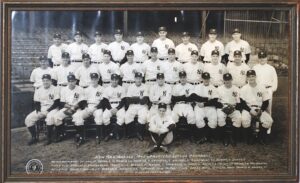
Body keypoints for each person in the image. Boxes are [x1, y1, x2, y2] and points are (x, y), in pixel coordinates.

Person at [25, 74, 60, 145]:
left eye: (47, 80)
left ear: (50, 81)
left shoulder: (55, 89)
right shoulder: (39, 90)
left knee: (50, 118)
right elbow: (37, 102)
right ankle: (34, 137)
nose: (45, 82)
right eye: (44, 81)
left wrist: (48, 111)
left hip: (53, 108)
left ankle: (49, 138)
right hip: (42, 108)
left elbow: (56, 103)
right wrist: (38, 111)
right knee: (28, 119)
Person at [240, 70, 273, 145]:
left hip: (259, 108)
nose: (251, 78)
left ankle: (260, 137)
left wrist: (261, 110)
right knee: (244, 120)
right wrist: (249, 110)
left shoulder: (261, 87)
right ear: (247, 78)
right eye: (249, 76)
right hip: (248, 108)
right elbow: (242, 103)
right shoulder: (244, 88)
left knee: (269, 121)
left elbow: (266, 101)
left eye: (253, 76)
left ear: (255, 77)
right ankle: (250, 137)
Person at [72, 73, 104, 144]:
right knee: (78, 116)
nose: (94, 80)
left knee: (99, 115)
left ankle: (98, 136)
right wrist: (86, 108)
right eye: (92, 79)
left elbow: (102, 101)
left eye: (95, 79)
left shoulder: (101, 88)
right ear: (90, 79)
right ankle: (82, 137)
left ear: (98, 79)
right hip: (88, 106)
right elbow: (83, 101)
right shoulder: (86, 89)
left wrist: (95, 108)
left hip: (97, 107)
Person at [54, 74, 86, 146]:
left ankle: (80, 136)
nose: (71, 83)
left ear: (75, 81)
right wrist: (69, 107)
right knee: (56, 117)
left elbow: (82, 102)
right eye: (69, 81)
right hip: (67, 107)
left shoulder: (80, 89)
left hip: (77, 107)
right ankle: (62, 134)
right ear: (67, 82)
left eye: (73, 81)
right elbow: (62, 102)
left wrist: (74, 107)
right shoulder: (64, 89)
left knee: (78, 118)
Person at [192, 72, 218, 144]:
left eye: (207, 79)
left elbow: (215, 100)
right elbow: (195, 97)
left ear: (209, 79)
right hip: (199, 106)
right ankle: (202, 136)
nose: (206, 80)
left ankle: (208, 136)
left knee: (213, 120)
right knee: (198, 119)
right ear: (202, 79)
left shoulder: (213, 88)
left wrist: (205, 103)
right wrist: (206, 100)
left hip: (210, 106)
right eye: (204, 79)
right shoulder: (197, 87)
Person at [216, 73, 242, 146]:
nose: (227, 82)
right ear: (223, 80)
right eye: (226, 80)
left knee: (238, 118)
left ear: (231, 80)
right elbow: (217, 102)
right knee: (220, 117)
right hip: (223, 107)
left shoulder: (236, 89)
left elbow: (239, 102)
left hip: (233, 107)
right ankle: (225, 137)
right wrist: (222, 107)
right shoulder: (219, 88)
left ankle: (232, 137)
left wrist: (234, 108)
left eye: (229, 80)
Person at [171, 71, 196, 142]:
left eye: (184, 77)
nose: (182, 79)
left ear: (186, 77)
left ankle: (191, 135)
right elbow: (174, 99)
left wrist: (181, 97)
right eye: (181, 77)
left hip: (187, 104)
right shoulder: (176, 86)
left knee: (192, 116)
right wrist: (184, 97)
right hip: (178, 104)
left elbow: (191, 98)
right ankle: (175, 135)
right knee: (173, 117)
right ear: (179, 78)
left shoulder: (191, 86)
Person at [125, 72, 149, 141]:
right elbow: (128, 100)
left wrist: (134, 99)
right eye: (137, 78)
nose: (138, 80)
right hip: (132, 106)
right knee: (127, 116)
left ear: (142, 79)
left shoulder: (145, 86)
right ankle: (133, 133)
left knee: (143, 116)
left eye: (140, 78)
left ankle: (139, 133)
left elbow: (144, 100)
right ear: (134, 79)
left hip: (142, 106)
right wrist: (139, 98)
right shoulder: (131, 86)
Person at [101, 74, 126, 141]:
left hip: (119, 106)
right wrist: (110, 109)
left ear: (118, 80)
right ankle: (112, 132)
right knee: (104, 116)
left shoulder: (121, 88)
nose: (114, 81)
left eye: (116, 80)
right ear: (110, 80)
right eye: (113, 80)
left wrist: (117, 108)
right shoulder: (107, 89)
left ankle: (113, 133)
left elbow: (123, 100)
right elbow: (105, 100)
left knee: (122, 117)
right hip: (110, 106)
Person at [252, 50, 278, 116]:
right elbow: (252, 79)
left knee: (268, 108)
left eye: (263, 57)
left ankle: (268, 125)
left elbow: (275, 80)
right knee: (257, 106)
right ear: (258, 58)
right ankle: (257, 124)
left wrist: (272, 90)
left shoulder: (271, 68)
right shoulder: (255, 68)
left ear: (266, 58)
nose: (262, 59)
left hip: (267, 89)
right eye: (260, 57)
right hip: (258, 89)